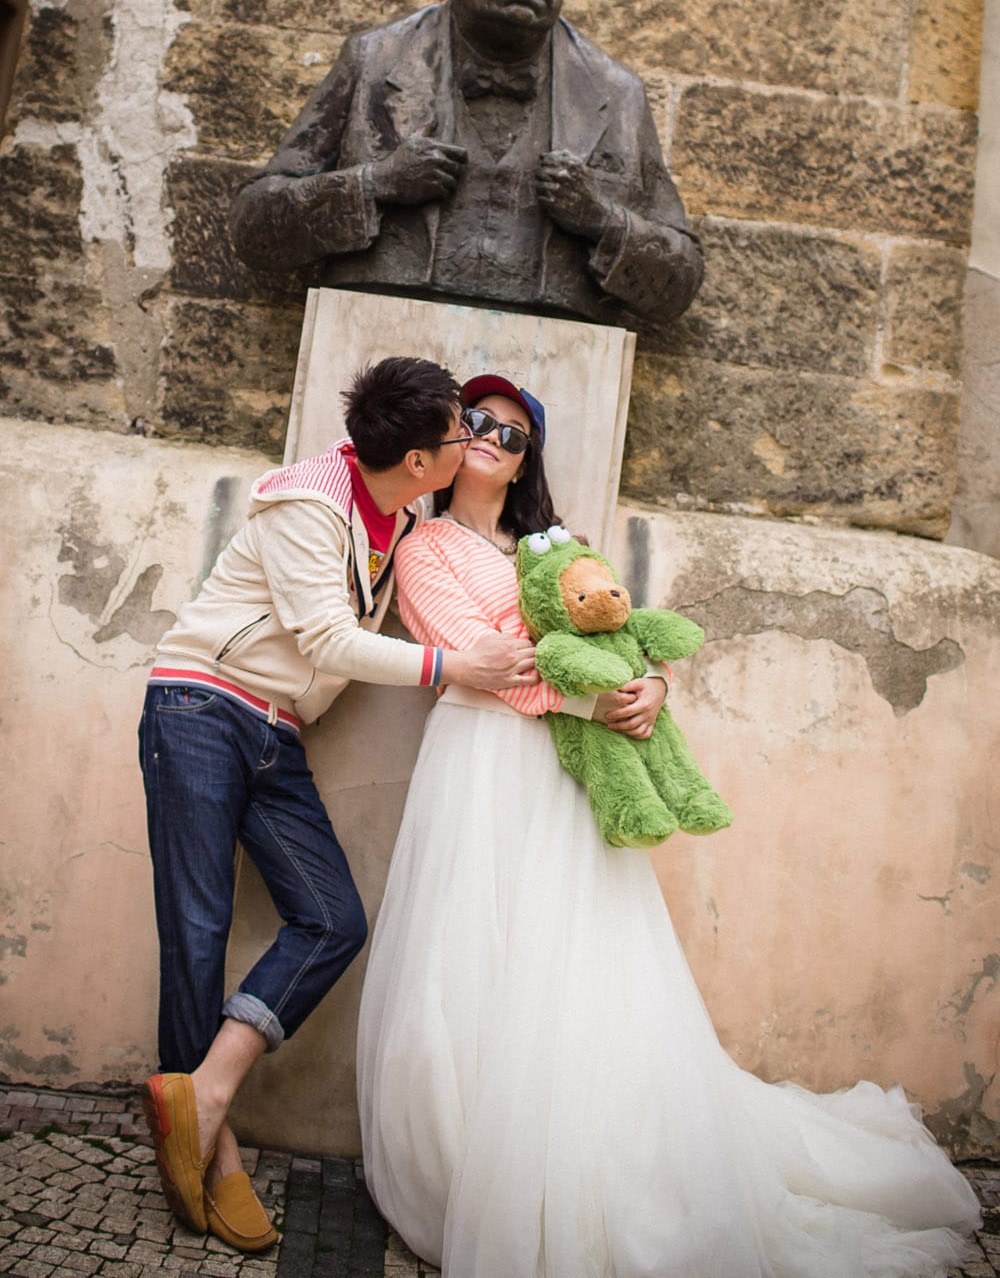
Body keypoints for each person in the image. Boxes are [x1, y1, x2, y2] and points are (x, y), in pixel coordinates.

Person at [356, 374, 981, 1278]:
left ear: (530, 460)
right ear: (450, 440)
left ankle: (587, 1158)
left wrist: (650, 685)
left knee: (569, 960)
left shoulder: (554, 545)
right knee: (470, 957)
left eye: (515, 432)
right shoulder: (426, 546)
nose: (493, 437)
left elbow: (618, 634)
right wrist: (586, 687)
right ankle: (468, 1166)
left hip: (562, 772)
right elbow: (481, 661)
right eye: (478, 422)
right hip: (483, 764)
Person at [138, 356, 537, 1255]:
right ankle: (220, 1154)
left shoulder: (396, 515)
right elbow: (325, 634)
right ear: (423, 465)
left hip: (276, 732)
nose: (472, 443)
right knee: (197, 929)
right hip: (201, 706)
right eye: (458, 436)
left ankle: (202, 1097)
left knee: (331, 919)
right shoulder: (311, 504)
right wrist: (447, 667)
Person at [228, 0, 703, 326]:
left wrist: (599, 218)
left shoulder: (616, 94)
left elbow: (679, 281)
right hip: (381, 342)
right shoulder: (375, 60)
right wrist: (376, 183)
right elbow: (254, 228)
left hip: (558, 362)